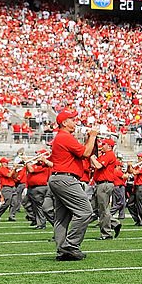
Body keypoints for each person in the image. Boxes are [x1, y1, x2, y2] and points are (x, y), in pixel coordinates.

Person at [48, 110, 99, 261]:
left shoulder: (61, 137)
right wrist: (93, 136)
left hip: (58, 178)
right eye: (72, 119)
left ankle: (62, 251)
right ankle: (70, 245)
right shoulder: (65, 137)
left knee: (62, 217)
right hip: (66, 178)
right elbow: (86, 153)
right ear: (64, 123)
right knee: (85, 211)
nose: (75, 122)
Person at [90, 138, 122, 239]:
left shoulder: (109, 155)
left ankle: (106, 233)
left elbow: (98, 166)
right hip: (101, 184)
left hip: (104, 184)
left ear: (109, 146)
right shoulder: (104, 155)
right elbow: (94, 165)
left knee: (103, 209)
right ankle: (114, 223)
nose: (101, 146)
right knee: (97, 208)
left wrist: (93, 158)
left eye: (103, 144)